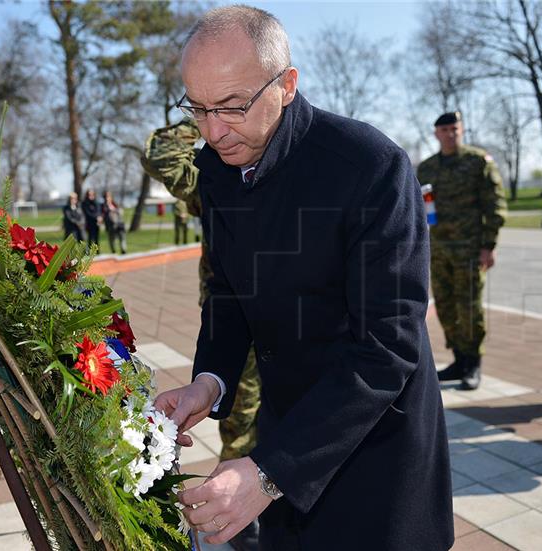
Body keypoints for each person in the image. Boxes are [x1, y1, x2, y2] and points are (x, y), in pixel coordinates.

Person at [152, 6, 453, 551]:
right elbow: (227, 289)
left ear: (287, 85)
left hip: (374, 442)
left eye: (232, 106)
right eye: (197, 109)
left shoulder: (370, 168)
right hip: (285, 428)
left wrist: (268, 471)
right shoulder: (218, 170)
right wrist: (210, 381)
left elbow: (387, 347)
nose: (214, 131)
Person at [142, 120, 262, 551]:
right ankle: (241, 515)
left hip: (293, 319)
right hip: (232, 316)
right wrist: (206, 116)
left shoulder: (290, 165)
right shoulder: (210, 172)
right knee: (239, 413)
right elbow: (160, 156)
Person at [416, 111, 507, 390]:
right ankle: (458, 359)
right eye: (444, 130)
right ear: (436, 134)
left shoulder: (478, 161)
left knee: (469, 307)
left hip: (470, 249)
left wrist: (488, 245)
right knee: (444, 305)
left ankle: (473, 364)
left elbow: (495, 205)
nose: (449, 134)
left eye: (454, 129)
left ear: (462, 130)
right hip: (439, 249)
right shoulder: (427, 168)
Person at [101, 190, 127, 254]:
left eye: (109, 196)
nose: (108, 198)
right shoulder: (103, 206)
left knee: (122, 237)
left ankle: (123, 250)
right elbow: (104, 215)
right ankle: (113, 251)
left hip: (119, 224)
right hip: (111, 226)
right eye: (106, 196)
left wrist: (116, 211)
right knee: (112, 240)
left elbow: (120, 212)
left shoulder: (115, 204)